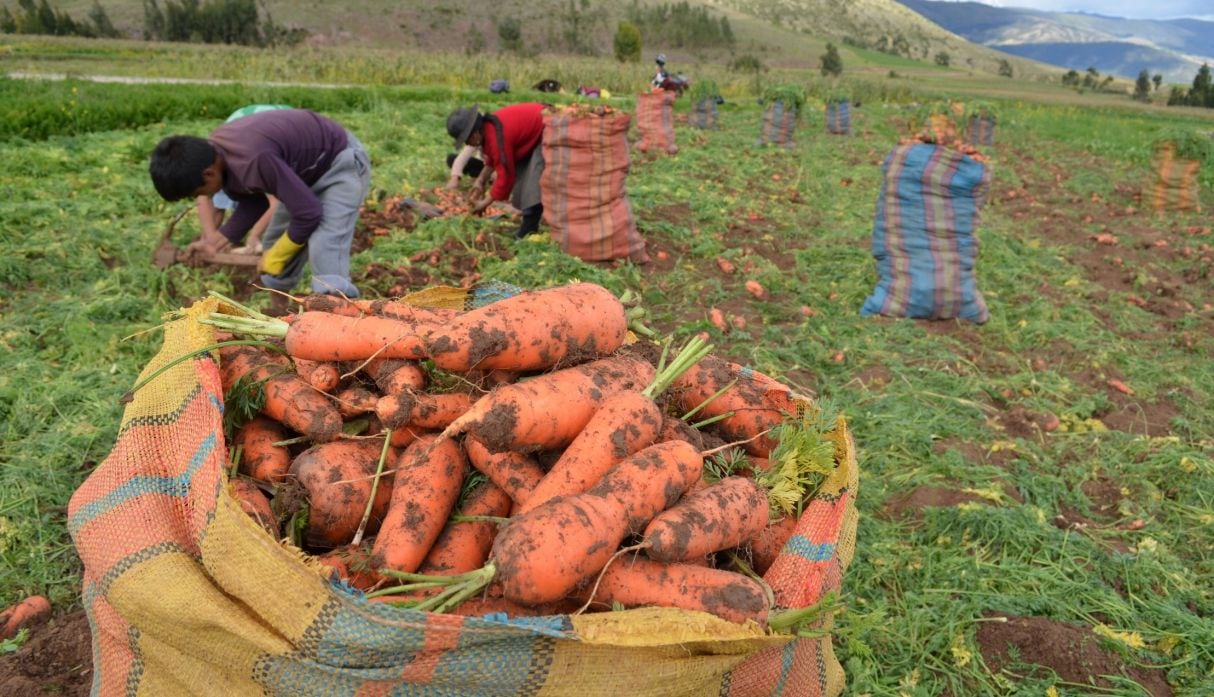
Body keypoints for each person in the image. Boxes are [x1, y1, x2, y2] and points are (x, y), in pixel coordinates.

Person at [149, 108, 371, 311]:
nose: (203, 197)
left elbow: (309, 213)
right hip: (302, 175)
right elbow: (253, 203)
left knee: (325, 244)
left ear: (208, 174)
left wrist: (279, 254)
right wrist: (213, 243)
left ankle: (339, 318)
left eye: (199, 192)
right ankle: (280, 312)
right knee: (276, 238)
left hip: (339, 162)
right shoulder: (218, 157)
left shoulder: (253, 159)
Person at [194, 104, 291, 255]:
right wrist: (210, 238)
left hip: (282, 130)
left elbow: (276, 203)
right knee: (221, 192)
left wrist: (254, 236)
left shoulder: (255, 159)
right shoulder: (210, 162)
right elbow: (205, 196)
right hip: (243, 131)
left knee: (289, 199)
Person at [446, 102, 546, 239]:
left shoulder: (496, 137)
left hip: (545, 128)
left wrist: (485, 203)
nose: (467, 144)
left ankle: (529, 229)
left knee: (532, 180)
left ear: (475, 134)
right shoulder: (489, 130)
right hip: (535, 128)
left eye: (466, 140)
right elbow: (493, 159)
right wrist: (480, 181)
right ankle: (528, 224)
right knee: (523, 175)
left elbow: (505, 177)